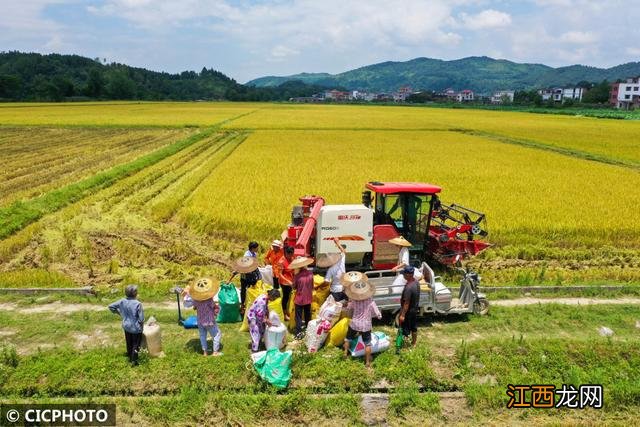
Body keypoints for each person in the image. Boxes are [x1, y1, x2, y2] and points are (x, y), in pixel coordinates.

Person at [342, 274, 382, 370]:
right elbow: (378, 314)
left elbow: (348, 309)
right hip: (366, 325)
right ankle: (367, 362)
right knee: (367, 343)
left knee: (348, 339)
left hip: (355, 323)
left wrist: (346, 305)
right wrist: (379, 316)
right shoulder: (371, 301)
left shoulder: (354, 301)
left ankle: (345, 353)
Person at [183, 278, 223, 356]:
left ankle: (205, 352)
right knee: (217, 334)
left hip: (200, 321)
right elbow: (214, 308)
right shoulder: (209, 299)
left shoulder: (196, 300)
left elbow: (193, 306)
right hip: (209, 321)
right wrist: (217, 308)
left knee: (202, 335)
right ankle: (215, 352)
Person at [108, 284, 144, 366]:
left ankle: (129, 354)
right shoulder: (138, 304)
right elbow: (141, 319)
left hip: (126, 326)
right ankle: (134, 361)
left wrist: (119, 313)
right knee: (136, 344)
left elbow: (111, 306)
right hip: (135, 328)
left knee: (129, 341)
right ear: (135, 293)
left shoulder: (122, 301)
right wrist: (142, 327)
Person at [290, 256, 314, 338]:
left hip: (299, 299)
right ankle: (309, 331)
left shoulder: (297, 276)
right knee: (308, 315)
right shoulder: (311, 274)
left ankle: (298, 333)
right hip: (308, 298)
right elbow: (312, 286)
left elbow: (294, 287)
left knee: (298, 317)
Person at [398, 266, 420, 349]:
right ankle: (414, 343)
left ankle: (405, 346)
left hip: (408, 312)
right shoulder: (416, 282)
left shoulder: (408, 288)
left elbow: (406, 303)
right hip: (414, 309)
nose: (403, 275)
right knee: (414, 327)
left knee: (405, 329)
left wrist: (403, 314)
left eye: (404, 274)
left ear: (408, 275)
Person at [321, 237, 347, 302]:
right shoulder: (341, 261)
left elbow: (327, 282)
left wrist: (320, 286)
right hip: (343, 289)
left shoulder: (330, 270)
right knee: (344, 307)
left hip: (335, 291)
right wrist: (338, 243)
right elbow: (343, 252)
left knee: (335, 307)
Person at [238, 241, 261, 313]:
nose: (258, 249)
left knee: (252, 289)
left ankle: (251, 304)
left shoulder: (254, 254)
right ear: (253, 248)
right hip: (246, 275)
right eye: (257, 247)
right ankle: (242, 306)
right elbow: (245, 265)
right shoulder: (247, 255)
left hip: (252, 275)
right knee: (244, 290)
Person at [276, 246, 295, 320]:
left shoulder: (292, 259)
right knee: (285, 297)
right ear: (286, 253)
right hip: (284, 282)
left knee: (290, 297)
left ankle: (287, 311)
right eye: (289, 255)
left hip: (290, 281)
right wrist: (288, 281)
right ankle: (284, 314)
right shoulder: (281, 261)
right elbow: (280, 274)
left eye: (292, 254)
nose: (291, 256)